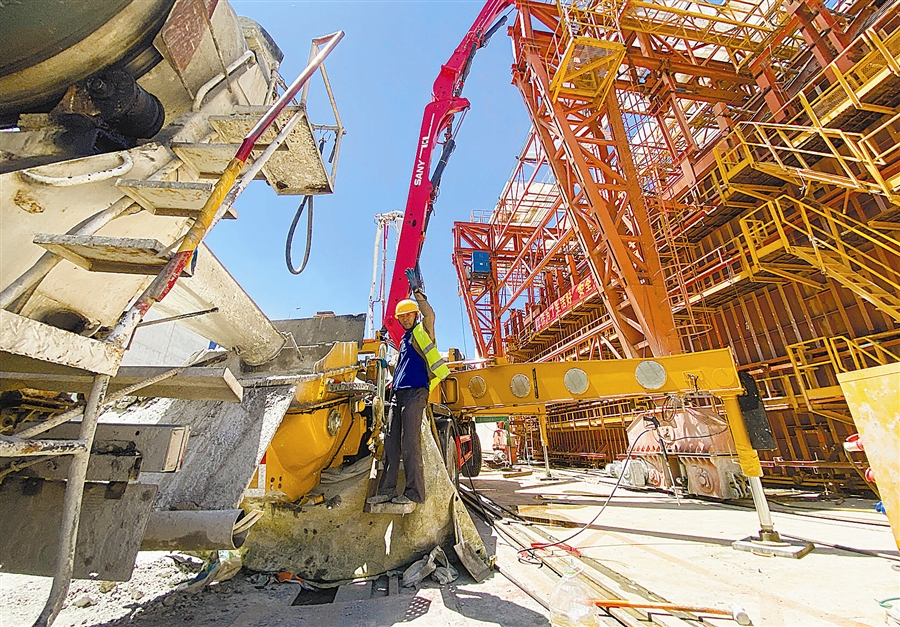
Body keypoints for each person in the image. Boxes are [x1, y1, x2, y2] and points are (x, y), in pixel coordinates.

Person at [368, 285, 450, 505]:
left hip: (416, 392)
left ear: (415, 315)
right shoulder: (403, 340)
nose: (405, 319)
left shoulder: (423, 332)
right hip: (398, 394)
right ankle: (387, 490)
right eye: (401, 317)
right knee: (391, 443)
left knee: (410, 443)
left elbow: (430, 314)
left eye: (408, 315)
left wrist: (417, 293)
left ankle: (414, 494)